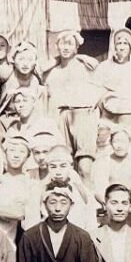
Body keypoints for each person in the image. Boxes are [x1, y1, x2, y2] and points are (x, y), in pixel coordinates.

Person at [42, 31, 102, 183]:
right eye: (63, 43)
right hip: (60, 116)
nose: (66, 47)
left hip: (83, 115)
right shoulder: (52, 72)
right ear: (57, 46)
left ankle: (89, 204)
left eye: (70, 43)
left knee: (84, 167)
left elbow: (104, 85)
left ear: (76, 47)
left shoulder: (87, 65)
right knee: (63, 166)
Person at [92, 127, 131, 204]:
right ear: (110, 143)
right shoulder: (103, 162)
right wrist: (111, 204)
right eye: (116, 141)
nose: (119, 146)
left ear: (129, 142)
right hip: (109, 204)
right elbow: (99, 190)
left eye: (123, 142)